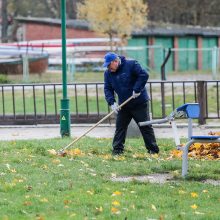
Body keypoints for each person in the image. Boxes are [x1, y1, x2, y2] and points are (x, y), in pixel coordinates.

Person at [103, 52, 159, 156]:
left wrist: (137, 89)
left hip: (139, 102)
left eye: (109, 65)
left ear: (115, 61)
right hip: (124, 105)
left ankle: (153, 150)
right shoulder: (108, 73)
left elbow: (144, 74)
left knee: (145, 126)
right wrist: (111, 102)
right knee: (120, 127)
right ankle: (117, 151)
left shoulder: (131, 64)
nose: (108, 68)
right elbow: (107, 88)